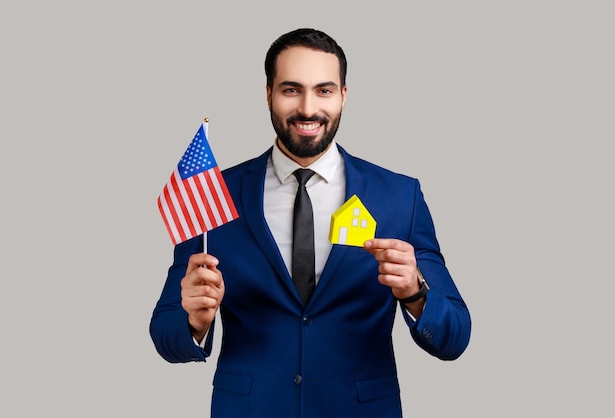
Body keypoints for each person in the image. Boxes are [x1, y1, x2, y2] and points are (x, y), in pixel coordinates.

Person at [150, 28, 471, 418]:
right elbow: (165, 333)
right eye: (290, 90)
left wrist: (416, 294)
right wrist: (194, 322)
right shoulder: (213, 197)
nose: (307, 108)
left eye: (323, 90)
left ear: (343, 96)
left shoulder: (399, 196)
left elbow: (455, 337)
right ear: (268, 93)